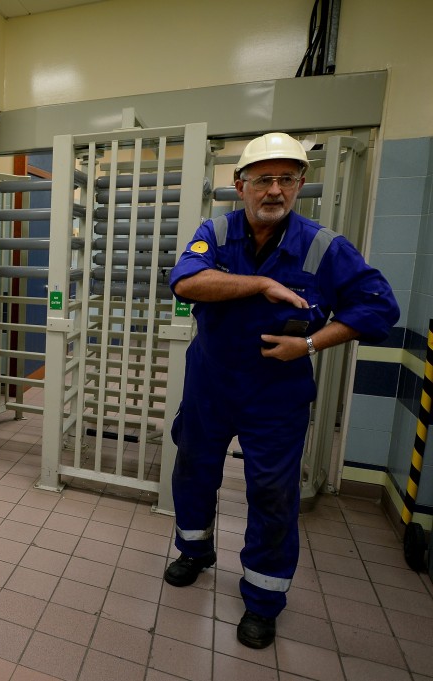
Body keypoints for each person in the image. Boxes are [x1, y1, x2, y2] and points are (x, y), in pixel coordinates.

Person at [164, 132, 399, 649]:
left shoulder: (323, 246)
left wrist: (311, 343)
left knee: (272, 491)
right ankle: (194, 550)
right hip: (210, 382)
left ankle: (263, 597)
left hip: (277, 392)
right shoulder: (215, 232)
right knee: (194, 468)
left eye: (285, 179)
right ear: (240, 184)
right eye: (263, 179)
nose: (274, 190)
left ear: (300, 184)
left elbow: (378, 309)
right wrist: (260, 284)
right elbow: (184, 282)